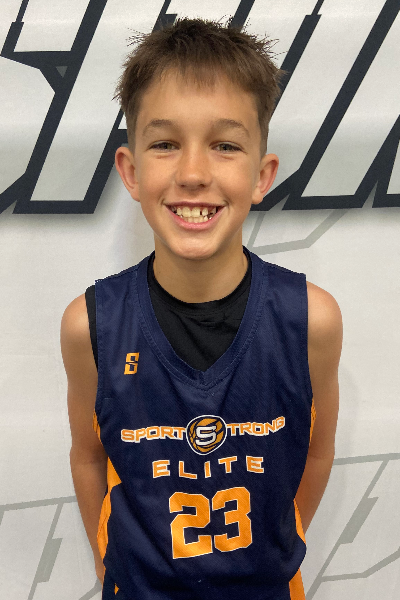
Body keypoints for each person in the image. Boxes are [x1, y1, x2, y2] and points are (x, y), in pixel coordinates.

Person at [60, 17, 342, 600]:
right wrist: (108, 564)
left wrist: (276, 551)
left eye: (225, 145)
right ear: (131, 172)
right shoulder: (90, 325)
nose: (192, 174)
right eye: (165, 144)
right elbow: (88, 458)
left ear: (261, 176)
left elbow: (315, 452)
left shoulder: (311, 320)